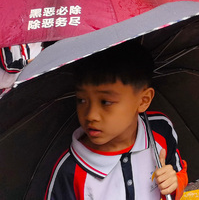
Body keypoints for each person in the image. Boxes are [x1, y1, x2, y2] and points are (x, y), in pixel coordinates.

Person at [45, 41, 188, 200]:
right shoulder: (70, 171)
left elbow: (178, 171)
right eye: (82, 100)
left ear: (143, 100)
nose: (91, 115)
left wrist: (173, 183)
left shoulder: (160, 130)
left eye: (105, 102)